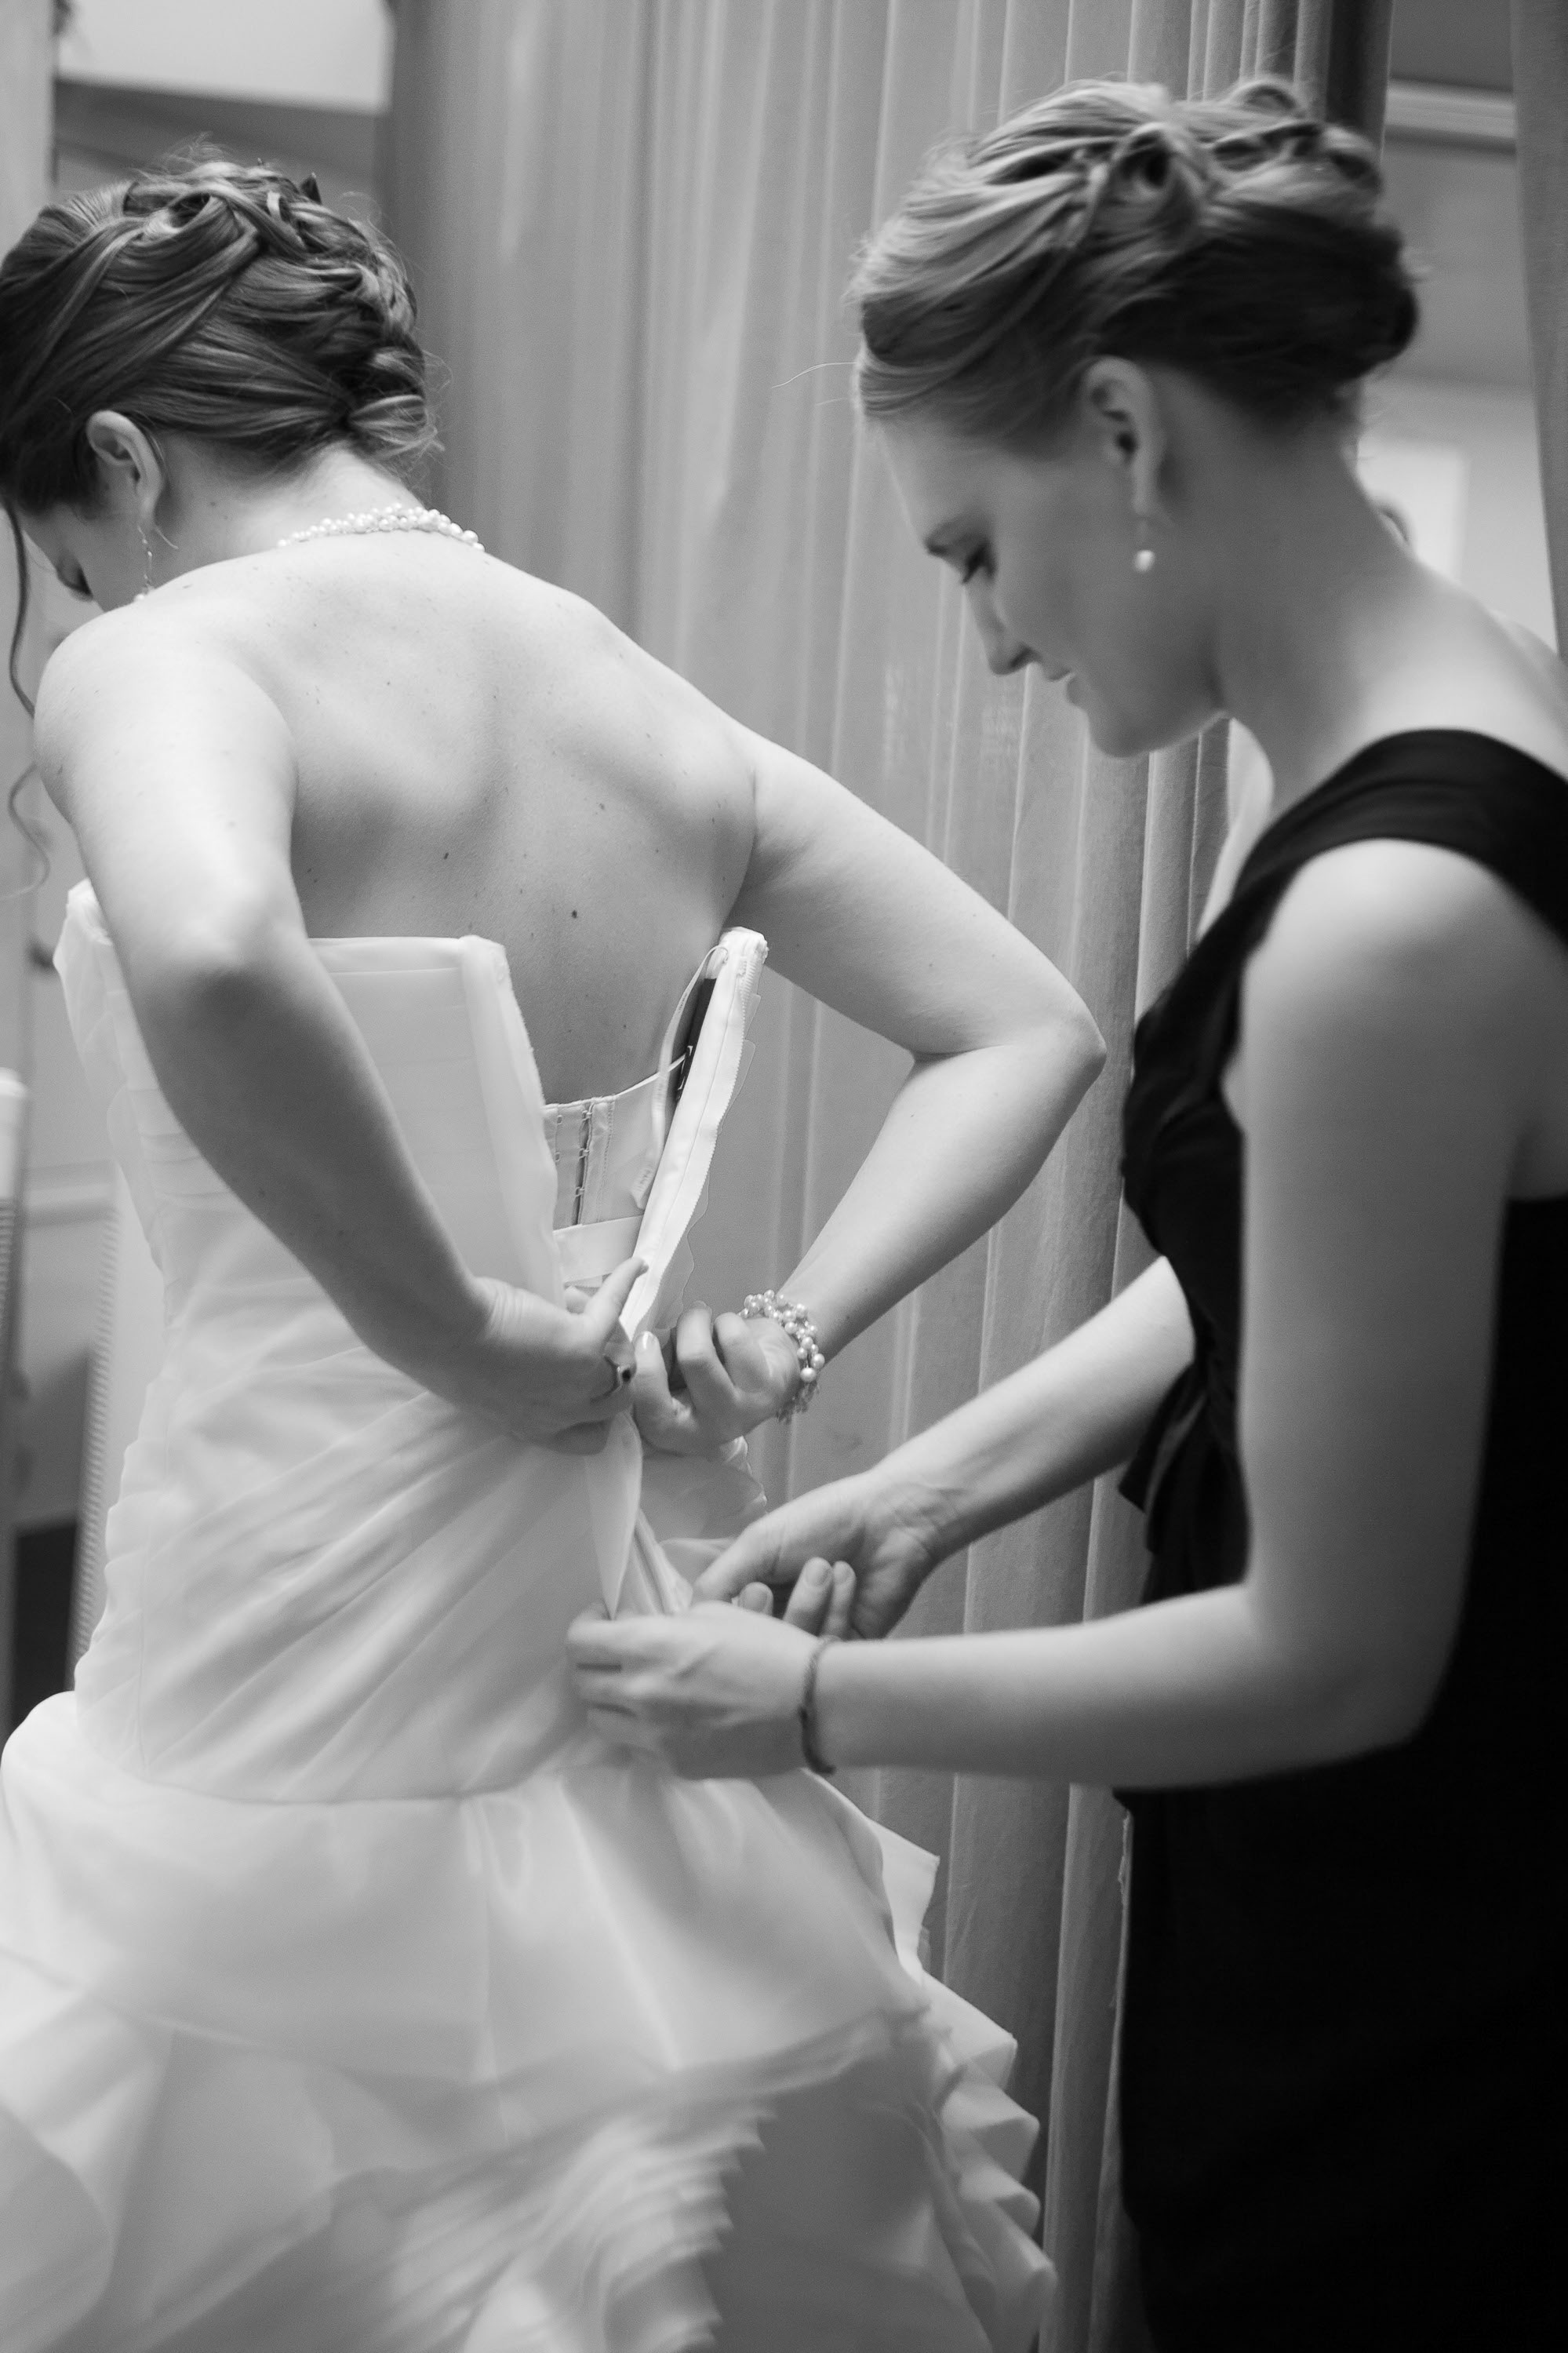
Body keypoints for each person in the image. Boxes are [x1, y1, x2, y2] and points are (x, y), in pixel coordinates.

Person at [0, 158, 1107, 2351]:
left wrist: (450, 1326)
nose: (60, 611)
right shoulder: (649, 710)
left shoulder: (166, 659)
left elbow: (217, 950)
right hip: (593, 1610)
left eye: (52, 561)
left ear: (120, 464)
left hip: (278, 1649)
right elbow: (1028, 1026)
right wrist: (776, 1333)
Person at [569, 77, 1568, 2353]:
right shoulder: (1445, 730)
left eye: (969, 554)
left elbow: (1337, 1647)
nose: (994, 645)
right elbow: (1302, 1271)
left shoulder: (1386, 923)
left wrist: (812, 1702)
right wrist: (930, 1479)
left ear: (1120, 434)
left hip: (1416, 1934)